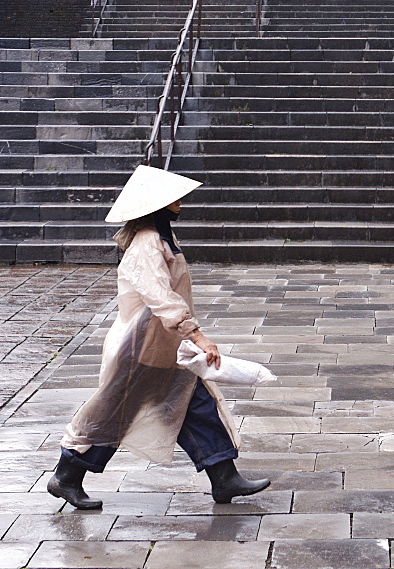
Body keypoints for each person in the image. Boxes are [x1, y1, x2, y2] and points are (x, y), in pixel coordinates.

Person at [48, 164, 270, 510]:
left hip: (162, 345)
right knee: (112, 413)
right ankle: (66, 477)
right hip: (140, 349)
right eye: (173, 196)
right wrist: (198, 337)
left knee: (195, 406)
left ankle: (224, 478)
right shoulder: (147, 243)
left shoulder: (162, 237)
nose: (180, 200)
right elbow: (161, 297)